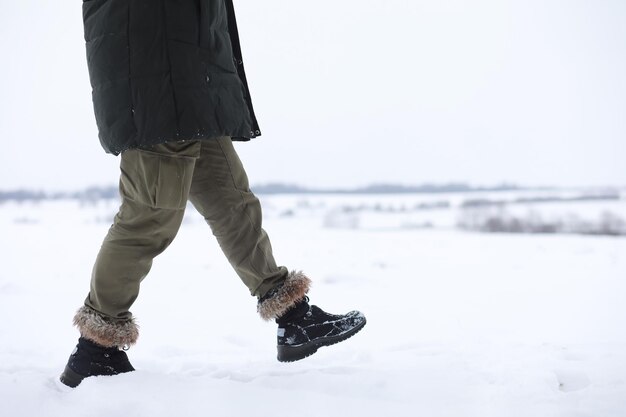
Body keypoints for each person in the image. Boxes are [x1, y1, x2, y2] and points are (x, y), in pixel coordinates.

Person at [59, 1, 366, 388]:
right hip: (154, 82)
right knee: (149, 216)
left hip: (192, 81)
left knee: (232, 201)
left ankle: (293, 318)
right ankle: (95, 348)